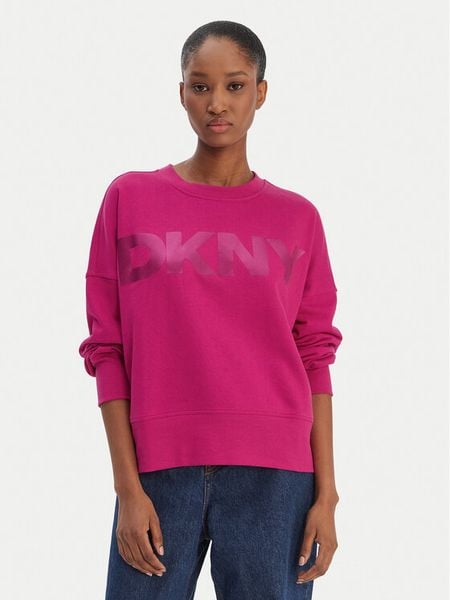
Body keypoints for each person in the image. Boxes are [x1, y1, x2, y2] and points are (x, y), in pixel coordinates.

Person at [78, 20, 343, 600]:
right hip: (157, 470)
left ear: (260, 93)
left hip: (277, 476)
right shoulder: (129, 198)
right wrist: (127, 487)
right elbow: (106, 348)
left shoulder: (298, 218)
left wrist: (326, 495)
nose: (216, 103)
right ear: (182, 93)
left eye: (235, 85)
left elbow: (314, 356)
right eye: (200, 86)